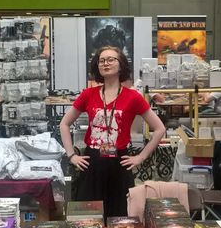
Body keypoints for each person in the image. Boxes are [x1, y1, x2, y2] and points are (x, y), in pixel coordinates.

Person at [60, 46, 166, 217]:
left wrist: (141, 156)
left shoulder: (133, 97)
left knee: (121, 220)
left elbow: (160, 128)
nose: (105, 63)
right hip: (91, 163)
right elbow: (64, 124)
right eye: (101, 60)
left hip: (120, 164)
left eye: (111, 59)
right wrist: (71, 155)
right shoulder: (88, 94)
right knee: (87, 219)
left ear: (121, 65)